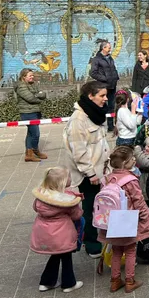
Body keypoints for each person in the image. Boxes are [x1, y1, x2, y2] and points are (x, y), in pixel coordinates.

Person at [60, 80, 110, 258]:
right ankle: (90, 243)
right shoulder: (78, 119)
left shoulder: (95, 113)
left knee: (101, 207)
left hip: (101, 170)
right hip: (88, 175)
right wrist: (90, 173)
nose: (106, 99)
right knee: (90, 209)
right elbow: (78, 151)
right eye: (102, 95)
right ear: (90, 96)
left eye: (106, 95)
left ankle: (100, 236)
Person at [99, 146, 149, 293]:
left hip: (111, 220)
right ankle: (130, 280)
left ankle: (115, 280)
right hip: (126, 220)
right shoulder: (130, 180)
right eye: (132, 159)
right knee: (130, 250)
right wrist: (146, 217)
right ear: (125, 163)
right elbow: (139, 201)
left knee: (117, 250)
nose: (135, 160)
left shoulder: (106, 178)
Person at [30, 166, 84, 293]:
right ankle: (69, 283)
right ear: (63, 183)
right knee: (66, 257)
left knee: (55, 256)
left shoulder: (42, 196)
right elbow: (76, 215)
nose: (71, 178)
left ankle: (46, 282)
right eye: (69, 177)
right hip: (62, 233)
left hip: (44, 233)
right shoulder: (67, 199)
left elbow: (35, 207)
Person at [15, 68, 47, 162]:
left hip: (35, 111)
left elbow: (43, 94)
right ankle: (34, 150)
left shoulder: (33, 84)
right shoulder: (21, 86)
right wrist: (38, 96)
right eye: (30, 76)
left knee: (30, 133)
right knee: (35, 134)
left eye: (33, 75)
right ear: (23, 77)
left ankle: (29, 154)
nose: (32, 77)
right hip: (27, 112)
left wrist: (36, 95)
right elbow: (30, 98)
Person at [89, 40, 119, 131]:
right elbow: (93, 73)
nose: (110, 49)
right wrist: (104, 78)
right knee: (101, 105)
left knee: (111, 106)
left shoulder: (110, 58)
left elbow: (113, 69)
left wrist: (116, 77)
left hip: (112, 85)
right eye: (109, 47)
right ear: (104, 48)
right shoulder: (96, 59)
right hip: (103, 86)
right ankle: (98, 123)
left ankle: (110, 126)